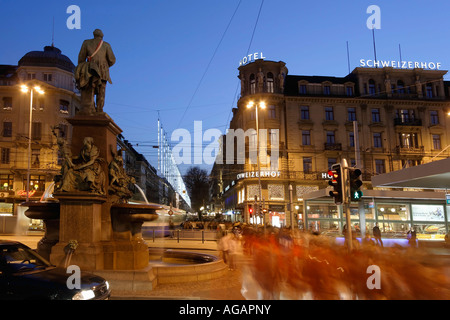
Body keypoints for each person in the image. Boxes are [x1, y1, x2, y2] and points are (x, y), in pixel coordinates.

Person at [75, 29, 116, 114]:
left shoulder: (86, 43)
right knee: (101, 90)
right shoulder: (106, 45)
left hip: (90, 69)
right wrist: (105, 65)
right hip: (103, 71)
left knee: (90, 88)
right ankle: (99, 110)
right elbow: (112, 60)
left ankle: (90, 108)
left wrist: (84, 67)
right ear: (102, 36)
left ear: (94, 35)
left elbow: (81, 58)